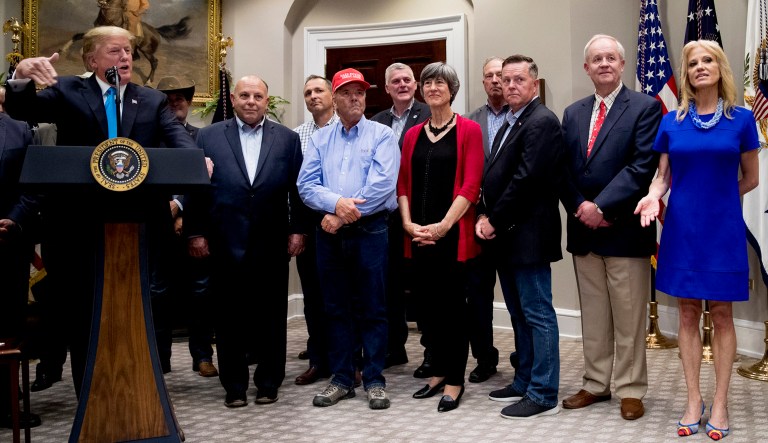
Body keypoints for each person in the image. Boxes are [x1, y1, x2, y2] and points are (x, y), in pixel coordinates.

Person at [3, 25, 200, 398]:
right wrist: (21, 76)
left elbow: (178, 140)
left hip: (138, 228)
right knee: (84, 317)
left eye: (128, 51)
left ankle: (142, 399)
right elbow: (22, 107)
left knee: (137, 315)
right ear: (91, 59)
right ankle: (91, 400)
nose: (125, 57)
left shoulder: (151, 101)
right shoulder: (68, 92)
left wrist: (196, 160)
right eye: (114, 51)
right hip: (79, 229)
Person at [635, 39, 759, 440]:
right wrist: (654, 196)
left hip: (722, 230)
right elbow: (662, 176)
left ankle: (720, 402)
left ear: (720, 68)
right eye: (692, 63)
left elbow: (752, 178)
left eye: (708, 60)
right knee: (687, 312)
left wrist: (718, 200)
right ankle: (693, 400)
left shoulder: (741, 119)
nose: (700, 67)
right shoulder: (672, 120)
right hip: (681, 230)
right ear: (685, 73)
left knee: (721, 314)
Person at [184, 75, 305, 408]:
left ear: (267, 101)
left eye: (258, 96)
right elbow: (196, 189)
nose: (251, 101)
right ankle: (234, 385)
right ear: (233, 100)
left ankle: (268, 382)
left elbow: (297, 190)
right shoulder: (208, 137)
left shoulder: (287, 139)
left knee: (271, 315)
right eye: (245, 95)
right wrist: (195, 232)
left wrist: (298, 229)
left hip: (272, 241)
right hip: (224, 240)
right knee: (228, 317)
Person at [559, 34, 661, 421]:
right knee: (595, 314)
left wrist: (600, 205)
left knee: (629, 314)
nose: (603, 63)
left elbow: (640, 168)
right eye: (596, 59)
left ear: (622, 65)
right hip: (584, 231)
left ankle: (631, 388)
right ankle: (596, 382)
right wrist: (581, 207)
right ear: (586, 68)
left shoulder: (645, 107)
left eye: (610, 58)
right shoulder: (573, 112)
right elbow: (564, 170)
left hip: (624, 230)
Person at [298, 68, 400, 410]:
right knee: (335, 308)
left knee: (373, 308)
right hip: (328, 236)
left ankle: (374, 380)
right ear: (335, 99)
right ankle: (342, 379)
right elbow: (305, 185)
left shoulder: (382, 135)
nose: (354, 98)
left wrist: (339, 213)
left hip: (370, 231)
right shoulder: (319, 139)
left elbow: (382, 185)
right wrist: (336, 204)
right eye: (346, 93)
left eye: (360, 92)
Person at [476, 54, 564, 419]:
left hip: (528, 234)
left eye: (518, 80)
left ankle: (543, 394)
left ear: (534, 84)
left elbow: (526, 180)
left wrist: (493, 219)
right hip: (507, 236)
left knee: (538, 314)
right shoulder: (514, 120)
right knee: (518, 314)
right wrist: (484, 212)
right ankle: (524, 379)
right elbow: (493, 175)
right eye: (505, 80)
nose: (509, 85)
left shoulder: (541, 121)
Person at [397, 62, 483, 412]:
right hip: (417, 236)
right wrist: (407, 224)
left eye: (440, 83)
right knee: (427, 311)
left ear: (452, 89)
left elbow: (471, 185)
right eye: (428, 82)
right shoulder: (413, 134)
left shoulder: (469, 130)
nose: (433, 87)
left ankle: (454, 381)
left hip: (452, 237)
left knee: (452, 312)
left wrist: (443, 226)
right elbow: (402, 184)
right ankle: (436, 372)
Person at [155, 75, 218, 378]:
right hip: (157, 231)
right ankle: (160, 359)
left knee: (202, 295)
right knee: (158, 295)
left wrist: (180, 209)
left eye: (180, 97)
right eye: (168, 98)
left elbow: (206, 183)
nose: (174, 102)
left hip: (196, 231)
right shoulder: (149, 139)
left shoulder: (203, 137)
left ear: (189, 102)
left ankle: (203, 356)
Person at [371, 62, 431, 373]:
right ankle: (394, 348)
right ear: (387, 88)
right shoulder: (376, 121)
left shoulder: (430, 114)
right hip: (386, 215)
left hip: (420, 213)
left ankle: (430, 353)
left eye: (407, 79)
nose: (402, 84)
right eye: (396, 81)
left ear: (416, 84)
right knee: (389, 285)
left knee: (423, 285)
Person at [463, 56, 507, 384]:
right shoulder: (470, 121)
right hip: (478, 224)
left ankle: (527, 356)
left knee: (520, 298)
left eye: (500, 75)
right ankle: (484, 358)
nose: (495, 80)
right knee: (477, 297)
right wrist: (479, 215)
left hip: (515, 225)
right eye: (489, 76)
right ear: (483, 82)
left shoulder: (524, 117)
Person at [292, 75, 338, 386]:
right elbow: (293, 188)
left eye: (319, 90)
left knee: (345, 296)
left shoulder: (347, 129)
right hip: (309, 224)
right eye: (307, 92)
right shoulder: (295, 136)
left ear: (332, 95)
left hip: (342, 222)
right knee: (313, 298)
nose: (313, 96)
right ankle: (319, 359)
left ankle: (349, 360)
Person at [0, 89, 42, 429]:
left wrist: (14, 218)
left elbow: (32, 185)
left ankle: (6, 404)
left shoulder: (19, 130)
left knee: (8, 325)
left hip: (7, 241)